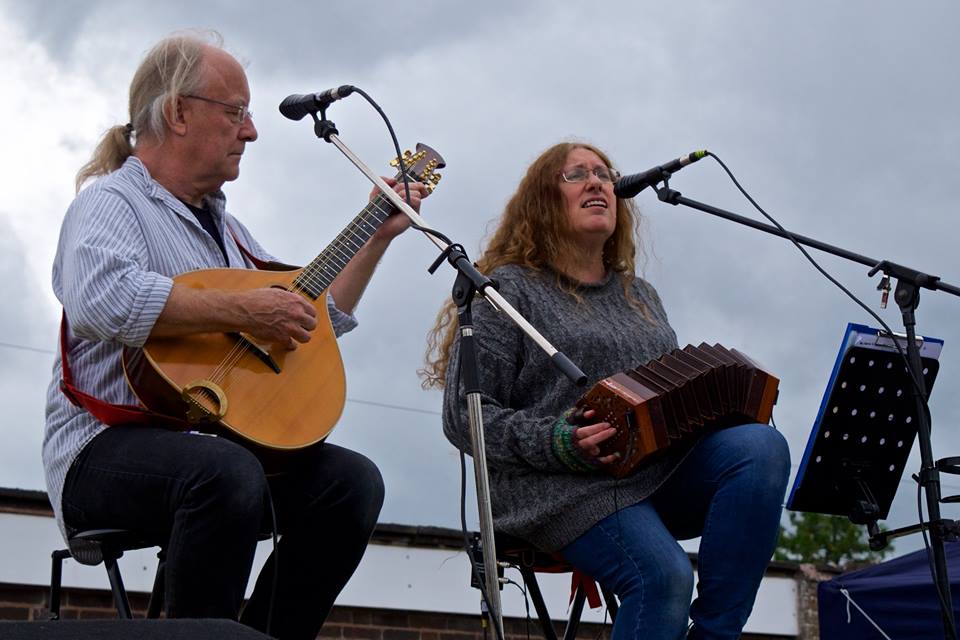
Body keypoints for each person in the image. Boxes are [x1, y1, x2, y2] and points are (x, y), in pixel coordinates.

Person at [43, 32, 429, 639]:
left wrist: (375, 234)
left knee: (351, 485)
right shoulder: (110, 202)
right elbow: (100, 298)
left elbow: (308, 320)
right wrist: (246, 310)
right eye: (237, 113)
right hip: (101, 452)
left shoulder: (232, 234)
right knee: (224, 472)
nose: (250, 132)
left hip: (206, 443)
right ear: (177, 112)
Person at [423, 142, 790, 640]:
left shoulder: (639, 295)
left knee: (758, 446)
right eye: (576, 175)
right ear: (542, 203)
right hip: (557, 486)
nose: (598, 183)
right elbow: (463, 417)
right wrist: (558, 441)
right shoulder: (505, 290)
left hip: (653, 474)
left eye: (604, 174)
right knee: (663, 576)